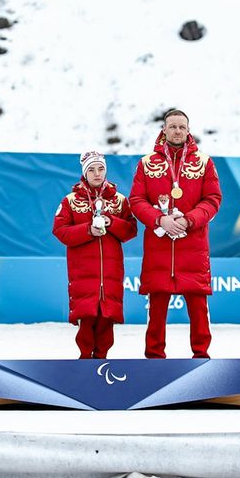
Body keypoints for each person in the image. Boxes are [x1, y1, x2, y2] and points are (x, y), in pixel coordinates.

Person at [129, 109, 222, 358]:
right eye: (172, 126)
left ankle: (201, 357)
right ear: (164, 129)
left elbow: (213, 199)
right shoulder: (147, 163)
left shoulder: (204, 162)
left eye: (182, 127)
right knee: (156, 309)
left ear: (188, 130)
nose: (177, 131)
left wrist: (188, 220)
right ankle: (154, 358)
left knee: (198, 308)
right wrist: (160, 219)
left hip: (193, 247)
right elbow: (136, 200)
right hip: (158, 248)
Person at [53, 151, 138, 359]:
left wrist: (112, 222)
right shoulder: (70, 201)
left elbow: (131, 230)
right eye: (91, 170)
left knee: (106, 320)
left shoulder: (119, 200)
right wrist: (88, 230)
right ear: (84, 173)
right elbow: (60, 231)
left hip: (111, 274)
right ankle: (84, 360)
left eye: (100, 169)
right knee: (86, 319)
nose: (97, 173)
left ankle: (102, 360)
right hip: (83, 273)